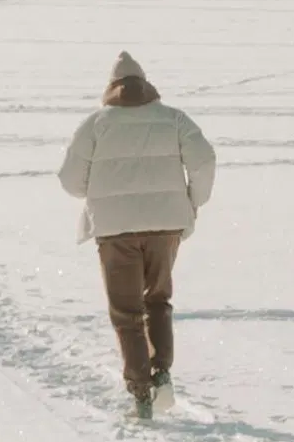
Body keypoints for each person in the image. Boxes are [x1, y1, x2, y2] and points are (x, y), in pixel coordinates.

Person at [59, 51, 216, 420]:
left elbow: (69, 179)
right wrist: (192, 202)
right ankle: (161, 373)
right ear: (146, 85)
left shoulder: (96, 124)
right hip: (166, 226)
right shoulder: (174, 119)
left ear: (111, 88)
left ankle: (141, 394)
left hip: (115, 231)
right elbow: (204, 160)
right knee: (157, 298)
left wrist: (97, 193)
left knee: (126, 311)